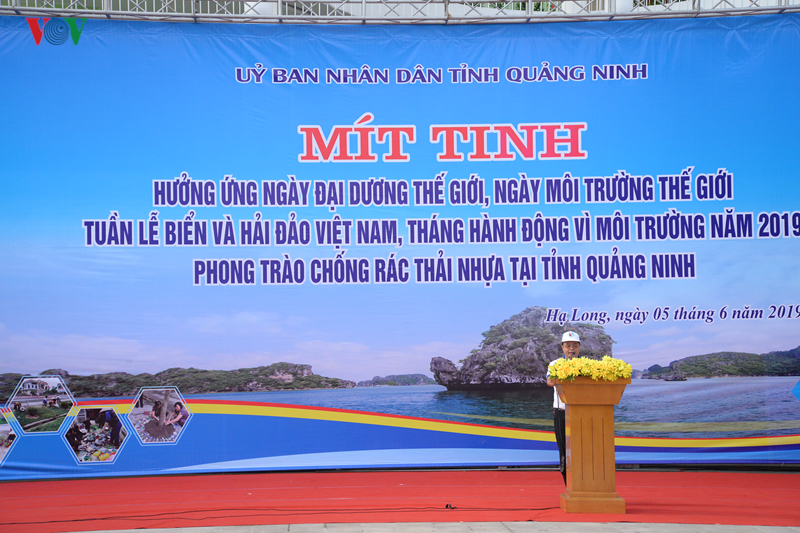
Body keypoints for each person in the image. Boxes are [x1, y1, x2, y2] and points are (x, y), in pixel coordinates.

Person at [546, 331, 581, 485]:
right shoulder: (555, 364)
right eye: (568, 345)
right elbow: (549, 381)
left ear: (579, 347)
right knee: (564, 449)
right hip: (561, 412)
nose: (571, 349)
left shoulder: (587, 365)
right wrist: (565, 371)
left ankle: (583, 483)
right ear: (562, 347)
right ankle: (569, 484)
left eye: (574, 345)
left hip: (582, 412)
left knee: (582, 447)